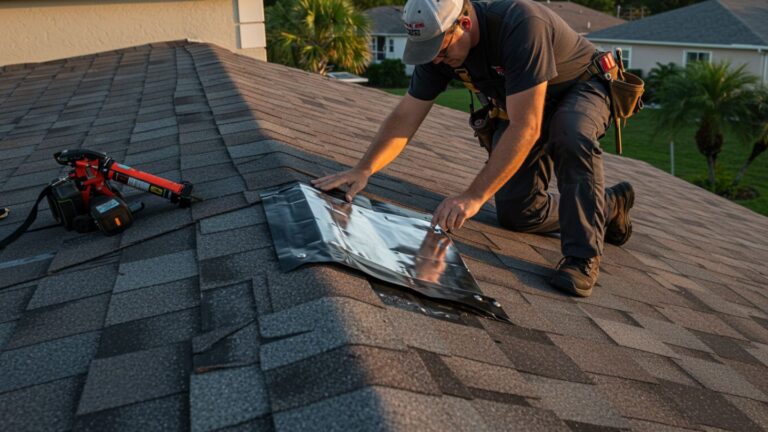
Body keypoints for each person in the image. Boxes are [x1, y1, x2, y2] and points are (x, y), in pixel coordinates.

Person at [312, 0, 635, 297]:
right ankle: (607, 207)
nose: (436, 59)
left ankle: (581, 258)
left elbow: (527, 127)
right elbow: (406, 115)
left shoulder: (521, 24)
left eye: (441, 49)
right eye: (429, 52)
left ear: (464, 24)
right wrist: (364, 168)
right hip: (524, 102)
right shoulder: (439, 49)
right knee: (518, 213)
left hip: (579, 88)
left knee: (571, 132)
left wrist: (473, 196)